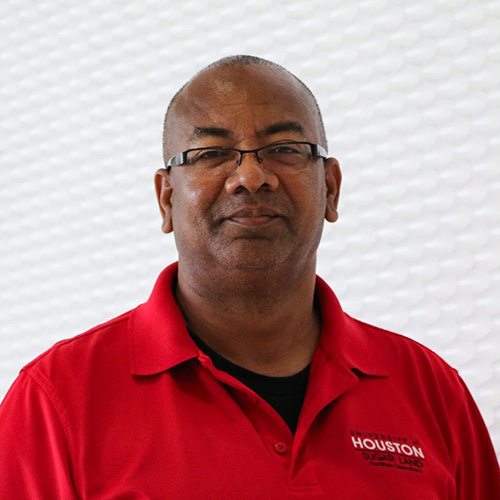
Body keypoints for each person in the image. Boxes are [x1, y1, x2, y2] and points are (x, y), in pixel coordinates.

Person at [0, 55, 498, 499]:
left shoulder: (433, 392)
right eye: (211, 154)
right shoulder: (56, 403)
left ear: (331, 188)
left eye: (284, 147)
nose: (251, 177)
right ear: (166, 198)